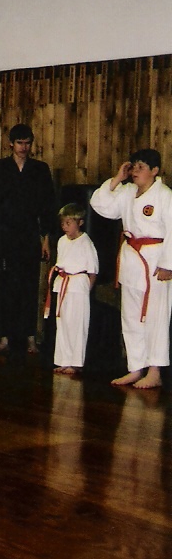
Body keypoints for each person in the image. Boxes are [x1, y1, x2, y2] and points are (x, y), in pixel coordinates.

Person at [89, 149, 172, 388]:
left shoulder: (164, 195)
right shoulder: (126, 193)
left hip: (156, 262)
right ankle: (136, 367)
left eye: (141, 167)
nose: (135, 171)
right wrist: (116, 179)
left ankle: (154, 371)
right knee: (131, 316)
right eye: (133, 167)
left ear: (155, 171)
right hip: (131, 259)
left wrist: (168, 264)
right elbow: (100, 205)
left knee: (156, 317)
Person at [0, 123, 56, 354]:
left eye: (28, 143)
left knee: (29, 285)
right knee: (1, 285)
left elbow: (48, 206)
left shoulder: (40, 169)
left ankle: (30, 337)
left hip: (29, 233)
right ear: (11, 143)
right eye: (20, 142)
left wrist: (46, 238)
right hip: (2, 233)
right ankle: (4, 337)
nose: (24, 147)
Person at [47, 203, 99, 375]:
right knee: (62, 323)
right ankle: (63, 360)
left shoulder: (86, 242)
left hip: (78, 285)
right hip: (63, 285)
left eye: (69, 223)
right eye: (63, 223)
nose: (65, 227)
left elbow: (93, 271)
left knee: (77, 325)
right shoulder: (62, 241)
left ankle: (76, 362)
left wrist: (86, 291)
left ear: (80, 223)